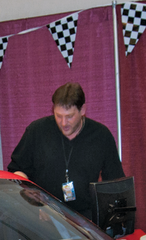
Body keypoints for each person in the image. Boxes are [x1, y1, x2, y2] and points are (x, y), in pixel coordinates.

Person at [7, 82, 124, 218]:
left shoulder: (101, 135)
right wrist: (31, 196)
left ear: (83, 110)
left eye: (69, 116)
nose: (63, 123)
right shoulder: (36, 131)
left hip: (86, 218)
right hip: (43, 213)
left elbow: (115, 183)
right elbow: (16, 170)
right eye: (58, 115)